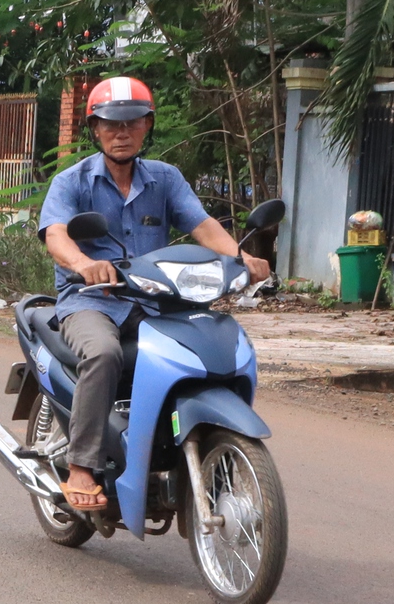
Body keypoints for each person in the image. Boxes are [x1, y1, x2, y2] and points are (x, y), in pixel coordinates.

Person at [38, 77, 271, 513]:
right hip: (92, 301)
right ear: (95, 129)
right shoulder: (73, 181)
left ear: (147, 126)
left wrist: (241, 256)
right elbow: (56, 235)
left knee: (204, 350)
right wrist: (85, 264)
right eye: (110, 123)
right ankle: (83, 466)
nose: (121, 132)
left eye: (131, 122)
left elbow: (201, 226)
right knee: (105, 354)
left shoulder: (165, 179)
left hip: (156, 300)